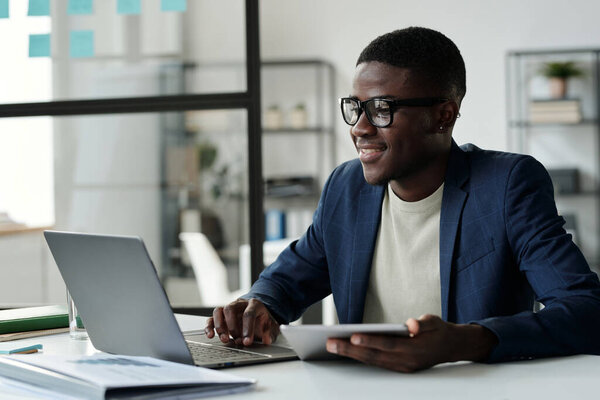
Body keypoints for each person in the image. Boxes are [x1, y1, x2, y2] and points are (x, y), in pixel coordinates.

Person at [205, 27, 600, 372]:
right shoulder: (346, 187)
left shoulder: (506, 185)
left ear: (443, 115)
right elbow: (290, 279)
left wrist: (465, 341)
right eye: (356, 108)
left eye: (381, 110)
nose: (360, 128)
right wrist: (257, 305)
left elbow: (587, 311)